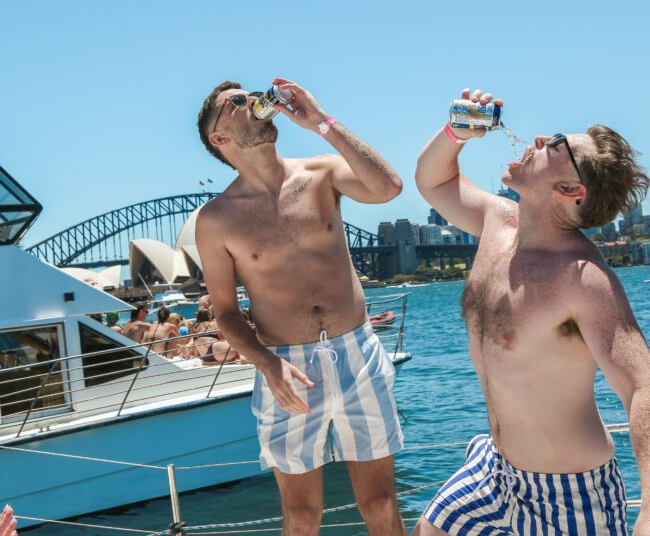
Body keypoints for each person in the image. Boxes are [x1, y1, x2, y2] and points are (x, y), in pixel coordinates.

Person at [413, 88, 650, 535]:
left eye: (556, 144)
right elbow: (434, 182)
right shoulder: (497, 221)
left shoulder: (583, 279)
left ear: (568, 189)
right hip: (496, 471)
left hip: (569, 494)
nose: (539, 138)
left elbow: (642, 387)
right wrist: (454, 133)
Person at [195, 78, 406, 535]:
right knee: (302, 515)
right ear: (219, 136)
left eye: (250, 94)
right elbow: (226, 313)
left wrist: (321, 122)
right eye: (235, 103)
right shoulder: (215, 219)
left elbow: (388, 188)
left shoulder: (322, 172)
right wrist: (268, 366)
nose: (252, 101)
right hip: (284, 365)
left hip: (358, 353)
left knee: (381, 503)